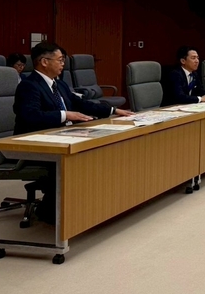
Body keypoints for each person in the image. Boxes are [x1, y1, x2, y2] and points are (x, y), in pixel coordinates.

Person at [13, 42, 133, 222]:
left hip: (63, 136)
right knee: (78, 158)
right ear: (44, 62)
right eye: (60, 60)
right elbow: (31, 116)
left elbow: (81, 104)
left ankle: (89, 205)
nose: (63, 64)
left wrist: (112, 110)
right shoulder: (29, 86)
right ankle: (52, 211)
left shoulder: (59, 84)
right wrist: (65, 114)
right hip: (37, 144)